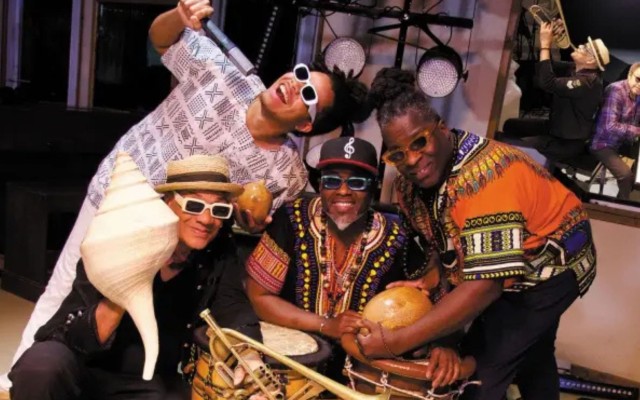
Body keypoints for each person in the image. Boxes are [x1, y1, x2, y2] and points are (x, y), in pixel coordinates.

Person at [0, 0, 369, 389]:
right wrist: (179, 16)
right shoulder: (224, 74)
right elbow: (160, 39)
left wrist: (249, 225)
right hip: (116, 198)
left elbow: (244, 225)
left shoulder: (287, 172)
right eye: (300, 74)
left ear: (306, 125)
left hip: (175, 240)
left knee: (137, 325)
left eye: (308, 94)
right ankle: (16, 385)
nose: (295, 84)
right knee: (64, 293)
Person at [356, 68, 597, 400]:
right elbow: (441, 247)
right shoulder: (408, 187)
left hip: (555, 263)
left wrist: (397, 342)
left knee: (483, 371)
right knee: (533, 351)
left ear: (441, 127)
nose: (411, 159)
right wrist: (432, 282)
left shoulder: (484, 177)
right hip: (505, 270)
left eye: (419, 142)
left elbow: (485, 286)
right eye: (397, 154)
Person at [9, 155, 264, 399]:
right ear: (167, 203)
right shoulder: (119, 239)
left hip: (145, 377)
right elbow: (77, 334)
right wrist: (127, 284)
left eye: (218, 209)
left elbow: (233, 306)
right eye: (194, 205)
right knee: (40, 370)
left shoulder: (217, 251)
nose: (206, 219)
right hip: (80, 360)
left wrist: (249, 355)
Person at [245, 136, 463, 388]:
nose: (343, 191)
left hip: (360, 377)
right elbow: (258, 296)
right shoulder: (292, 219)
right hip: (287, 370)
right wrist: (326, 325)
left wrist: (445, 344)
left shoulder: (400, 237)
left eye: (357, 182)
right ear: (320, 185)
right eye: (331, 180)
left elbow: (438, 298)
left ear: (373, 188)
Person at [519, 21, 609, 163]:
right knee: (510, 125)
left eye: (585, 48)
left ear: (591, 60)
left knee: (517, 146)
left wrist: (545, 44)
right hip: (555, 128)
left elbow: (547, 83)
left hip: (567, 142)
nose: (580, 46)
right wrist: (554, 37)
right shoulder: (576, 68)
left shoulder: (587, 82)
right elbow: (546, 67)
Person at [590, 62, 640, 200]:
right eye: (638, 79)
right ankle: (622, 206)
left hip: (622, 141)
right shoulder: (616, 90)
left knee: (636, 171)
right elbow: (610, 126)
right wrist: (638, 131)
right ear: (630, 75)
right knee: (626, 175)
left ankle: (626, 195)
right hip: (603, 144)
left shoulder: (637, 94)